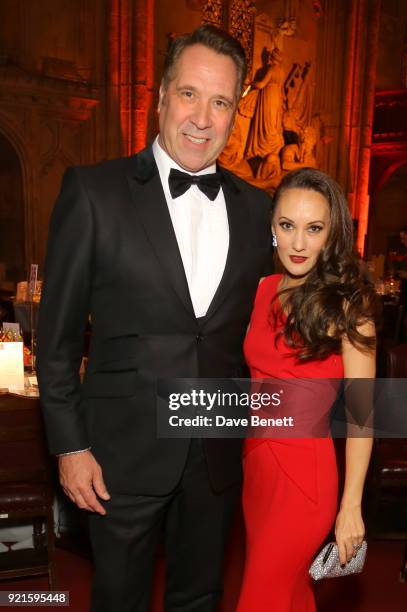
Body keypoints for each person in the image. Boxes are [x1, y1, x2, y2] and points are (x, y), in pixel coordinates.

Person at [36, 25, 272, 612]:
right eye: (189, 94)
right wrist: (69, 448)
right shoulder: (94, 192)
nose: (201, 117)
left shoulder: (258, 210)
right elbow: (57, 339)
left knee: (200, 597)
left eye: (219, 102)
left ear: (234, 114)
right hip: (118, 455)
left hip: (218, 449)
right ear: (161, 96)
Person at [236, 167, 377, 612]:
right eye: (287, 226)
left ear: (331, 234)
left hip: (304, 478)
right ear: (272, 228)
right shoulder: (262, 290)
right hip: (255, 467)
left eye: (313, 229)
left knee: (261, 598)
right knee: (291, 595)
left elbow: (362, 415)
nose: (298, 243)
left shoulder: (348, 308)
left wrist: (351, 505)